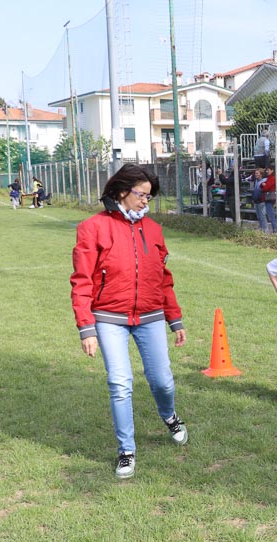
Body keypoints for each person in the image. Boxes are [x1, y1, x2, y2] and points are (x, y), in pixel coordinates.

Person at [70, 163, 189, 479]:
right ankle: (126, 451)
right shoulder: (92, 228)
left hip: (151, 317)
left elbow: (164, 279)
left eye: (149, 197)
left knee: (162, 381)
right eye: (141, 195)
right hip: (109, 319)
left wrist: (175, 319)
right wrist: (86, 328)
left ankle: (170, 416)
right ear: (122, 191)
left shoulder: (154, 230)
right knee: (120, 384)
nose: (145, 201)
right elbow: (81, 280)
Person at [260, 166, 277, 233]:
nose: (267, 171)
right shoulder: (269, 178)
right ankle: (275, 229)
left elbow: (266, 187)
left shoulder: (272, 178)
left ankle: (275, 230)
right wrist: (263, 185)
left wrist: (263, 185)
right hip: (268, 198)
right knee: (270, 214)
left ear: (272, 170)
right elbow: (261, 185)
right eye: (267, 170)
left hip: (269, 198)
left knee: (271, 215)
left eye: (268, 170)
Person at [250, 168, 269, 232]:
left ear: (261, 174)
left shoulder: (264, 181)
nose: (256, 174)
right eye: (255, 173)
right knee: (259, 217)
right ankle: (261, 229)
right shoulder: (256, 181)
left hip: (261, 201)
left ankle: (265, 230)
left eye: (257, 173)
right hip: (256, 201)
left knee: (262, 217)